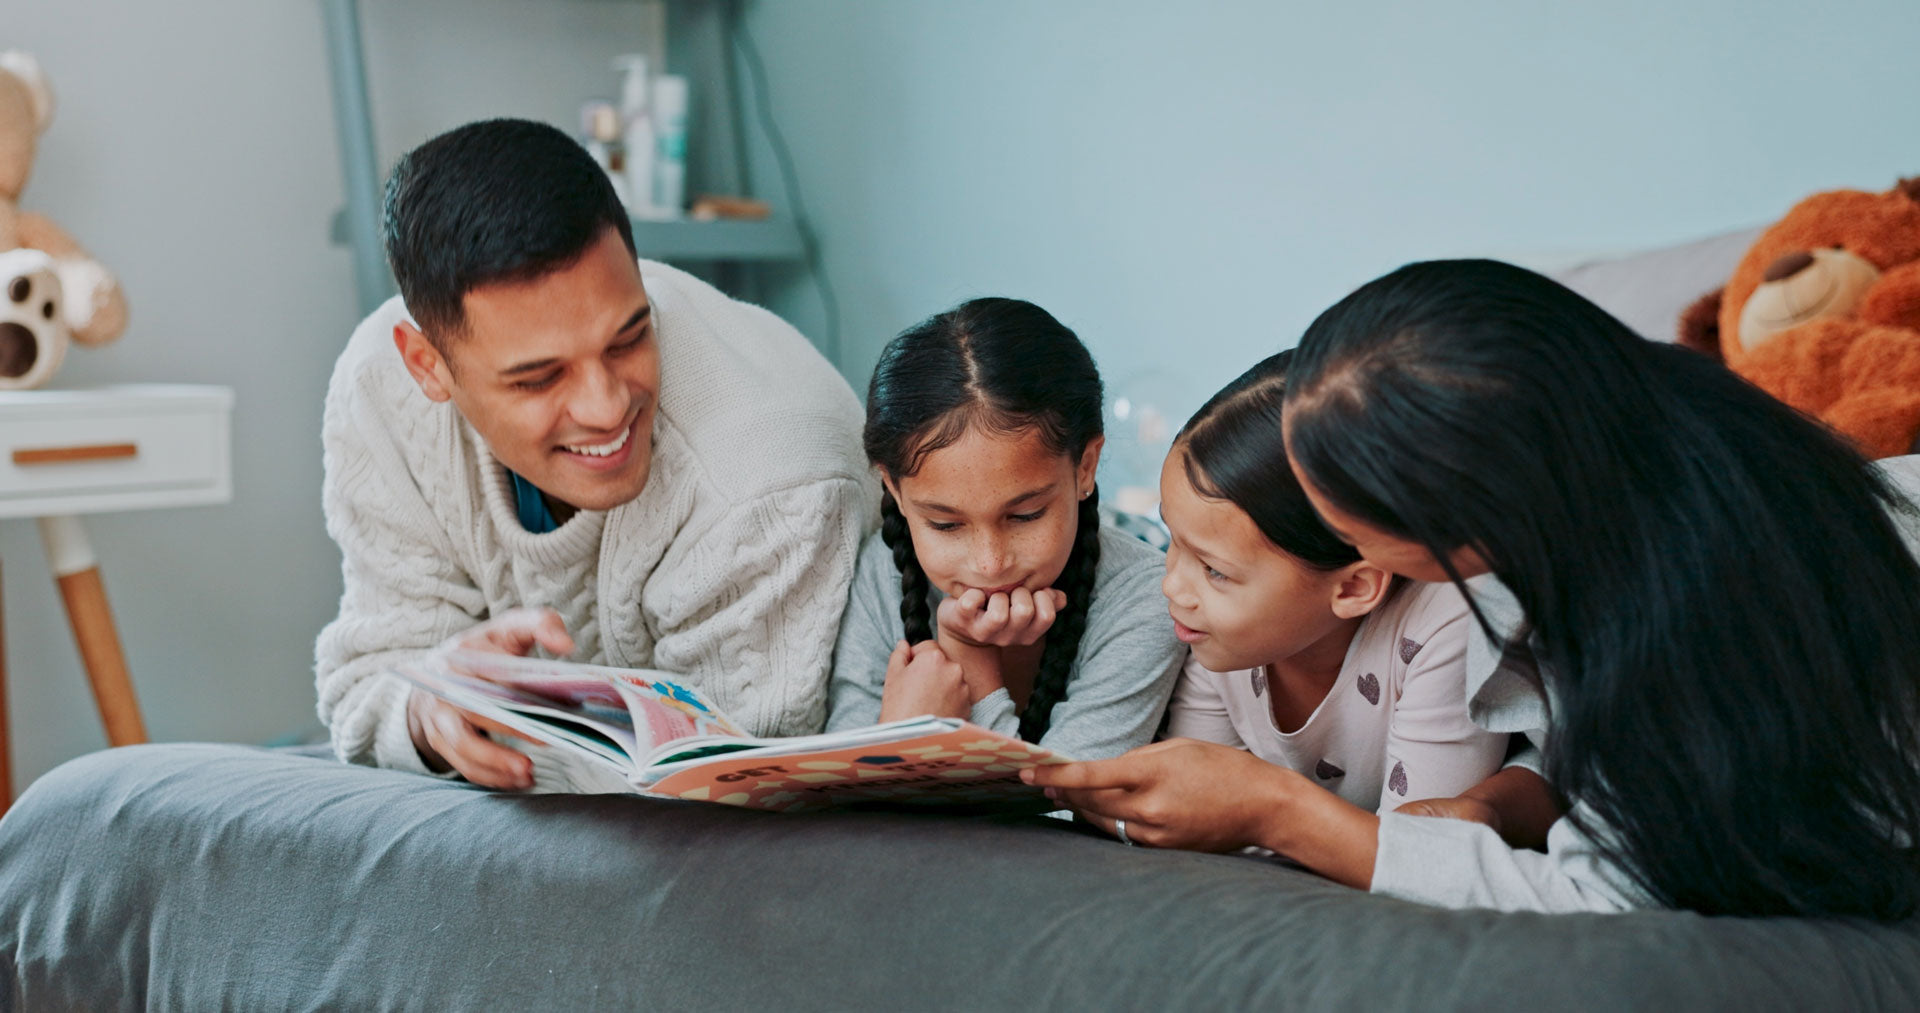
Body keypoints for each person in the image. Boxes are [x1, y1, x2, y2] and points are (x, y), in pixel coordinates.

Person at [1032, 259, 1920, 920]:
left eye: (1338, 498)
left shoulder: (1688, 615)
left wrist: (1278, 810)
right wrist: (1501, 802)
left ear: (1462, 521)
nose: (1309, 497)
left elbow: (1598, 894)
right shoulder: (1630, 450)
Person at [317, 118, 872, 792]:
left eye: (629, 338)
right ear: (427, 365)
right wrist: (426, 710)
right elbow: (365, 682)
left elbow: (734, 796)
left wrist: (500, 721)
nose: (608, 407)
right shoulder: (380, 389)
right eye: (539, 378)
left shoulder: (768, 480)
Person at [826, 298, 1184, 757]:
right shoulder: (883, 573)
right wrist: (899, 734)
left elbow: (1065, 796)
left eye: (1025, 515)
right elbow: (836, 782)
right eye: (945, 524)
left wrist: (968, 662)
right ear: (894, 490)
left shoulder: (1147, 597)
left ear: (1085, 466)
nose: (990, 564)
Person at [1159, 350, 1507, 814]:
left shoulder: (1448, 621)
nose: (1172, 587)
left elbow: (1417, 846)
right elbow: (1196, 810)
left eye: (1214, 570)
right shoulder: (1222, 636)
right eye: (1172, 539)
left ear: (1354, 588)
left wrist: (1262, 817)